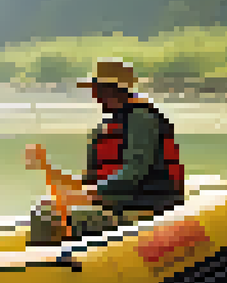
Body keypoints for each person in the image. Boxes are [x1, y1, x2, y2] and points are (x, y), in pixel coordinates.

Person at [27, 58, 185, 244]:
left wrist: (88, 195)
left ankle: (55, 262)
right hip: (115, 203)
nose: (95, 95)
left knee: (54, 216)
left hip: (146, 205)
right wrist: (46, 167)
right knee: (44, 208)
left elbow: (134, 172)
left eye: (97, 89)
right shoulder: (106, 127)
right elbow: (89, 182)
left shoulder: (142, 119)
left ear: (112, 90)